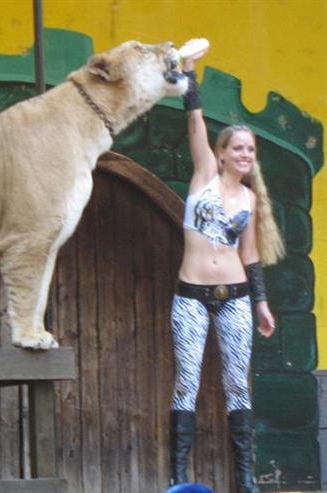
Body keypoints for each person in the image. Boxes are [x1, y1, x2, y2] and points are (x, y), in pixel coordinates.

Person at [169, 40, 285, 493]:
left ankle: (245, 478)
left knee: (238, 384)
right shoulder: (204, 176)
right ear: (220, 153)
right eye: (238, 148)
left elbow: (250, 253)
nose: (245, 155)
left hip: (235, 297)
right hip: (191, 296)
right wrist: (190, 74)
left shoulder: (250, 198)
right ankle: (178, 475)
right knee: (187, 382)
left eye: (251, 150)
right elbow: (195, 123)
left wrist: (261, 303)